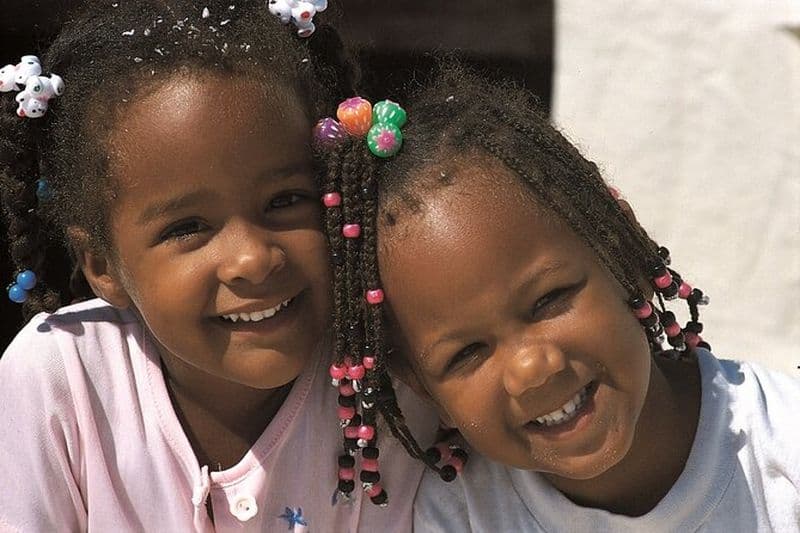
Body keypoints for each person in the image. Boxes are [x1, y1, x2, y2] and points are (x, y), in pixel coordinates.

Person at [0, 1, 435, 530]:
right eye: (187, 228)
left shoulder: (390, 391)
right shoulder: (59, 380)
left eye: (285, 200)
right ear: (102, 265)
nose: (252, 259)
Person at [313, 65, 800, 532]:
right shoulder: (459, 518)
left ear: (618, 246)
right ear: (421, 388)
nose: (531, 368)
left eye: (548, 301)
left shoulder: (784, 446)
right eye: (466, 354)